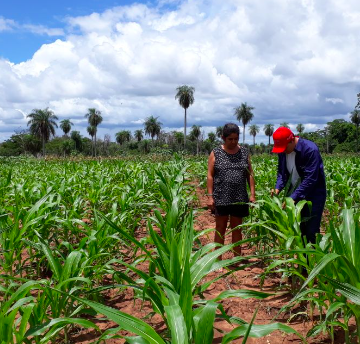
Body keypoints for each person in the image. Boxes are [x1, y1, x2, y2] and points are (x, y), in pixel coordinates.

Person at [207, 123, 256, 259]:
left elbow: (250, 174)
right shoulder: (216, 152)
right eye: (230, 139)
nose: (233, 142)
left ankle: (237, 258)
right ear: (223, 138)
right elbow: (210, 175)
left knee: (237, 229)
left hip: (239, 196)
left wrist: (252, 194)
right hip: (221, 196)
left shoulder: (244, 152)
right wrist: (210, 196)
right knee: (220, 228)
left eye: (236, 138)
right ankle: (218, 259)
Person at [271, 126, 326, 244]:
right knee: (299, 229)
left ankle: (314, 260)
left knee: (311, 230)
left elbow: (311, 179)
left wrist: (293, 198)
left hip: (314, 195)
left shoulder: (310, 150)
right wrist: (277, 188)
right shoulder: (283, 152)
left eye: (284, 147)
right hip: (294, 194)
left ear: (292, 140)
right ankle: (303, 260)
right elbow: (282, 173)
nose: (283, 150)